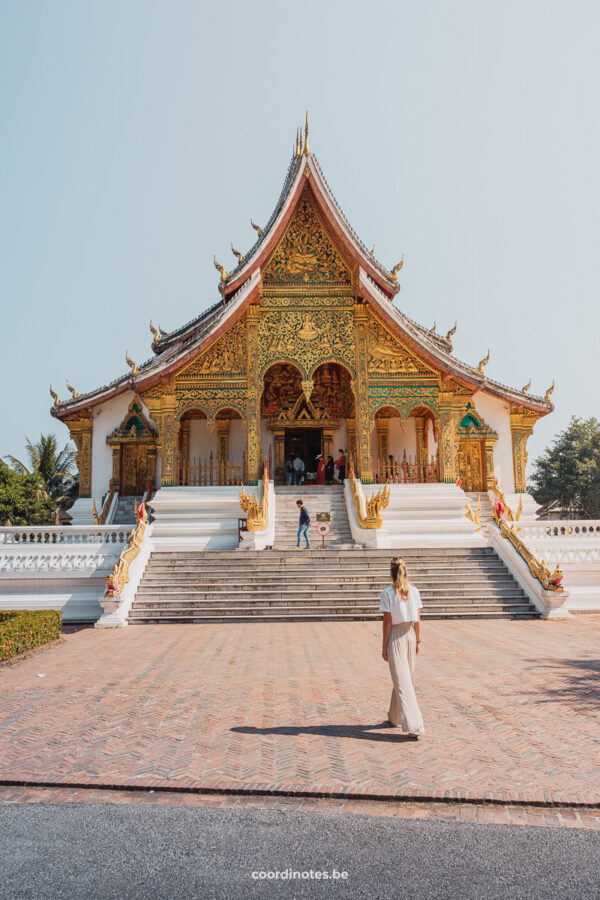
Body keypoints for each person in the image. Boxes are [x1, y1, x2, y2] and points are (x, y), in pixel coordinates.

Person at [380, 556, 425, 738]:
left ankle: (414, 725)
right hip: (411, 635)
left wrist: (384, 646)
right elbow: (418, 620)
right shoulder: (414, 591)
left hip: (397, 636)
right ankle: (394, 716)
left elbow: (387, 622)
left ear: (391, 572)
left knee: (403, 681)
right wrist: (418, 640)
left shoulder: (388, 593)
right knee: (404, 678)